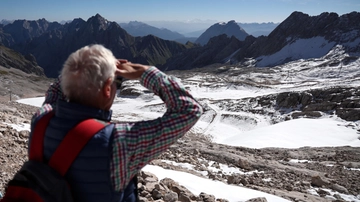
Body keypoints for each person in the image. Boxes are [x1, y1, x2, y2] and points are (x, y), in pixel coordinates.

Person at [29, 44, 203, 202]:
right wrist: (145, 71)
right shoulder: (119, 140)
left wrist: (80, 70)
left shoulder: (41, 119)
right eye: (117, 82)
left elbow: (53, 92)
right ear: (106, 89)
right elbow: (189, 110)